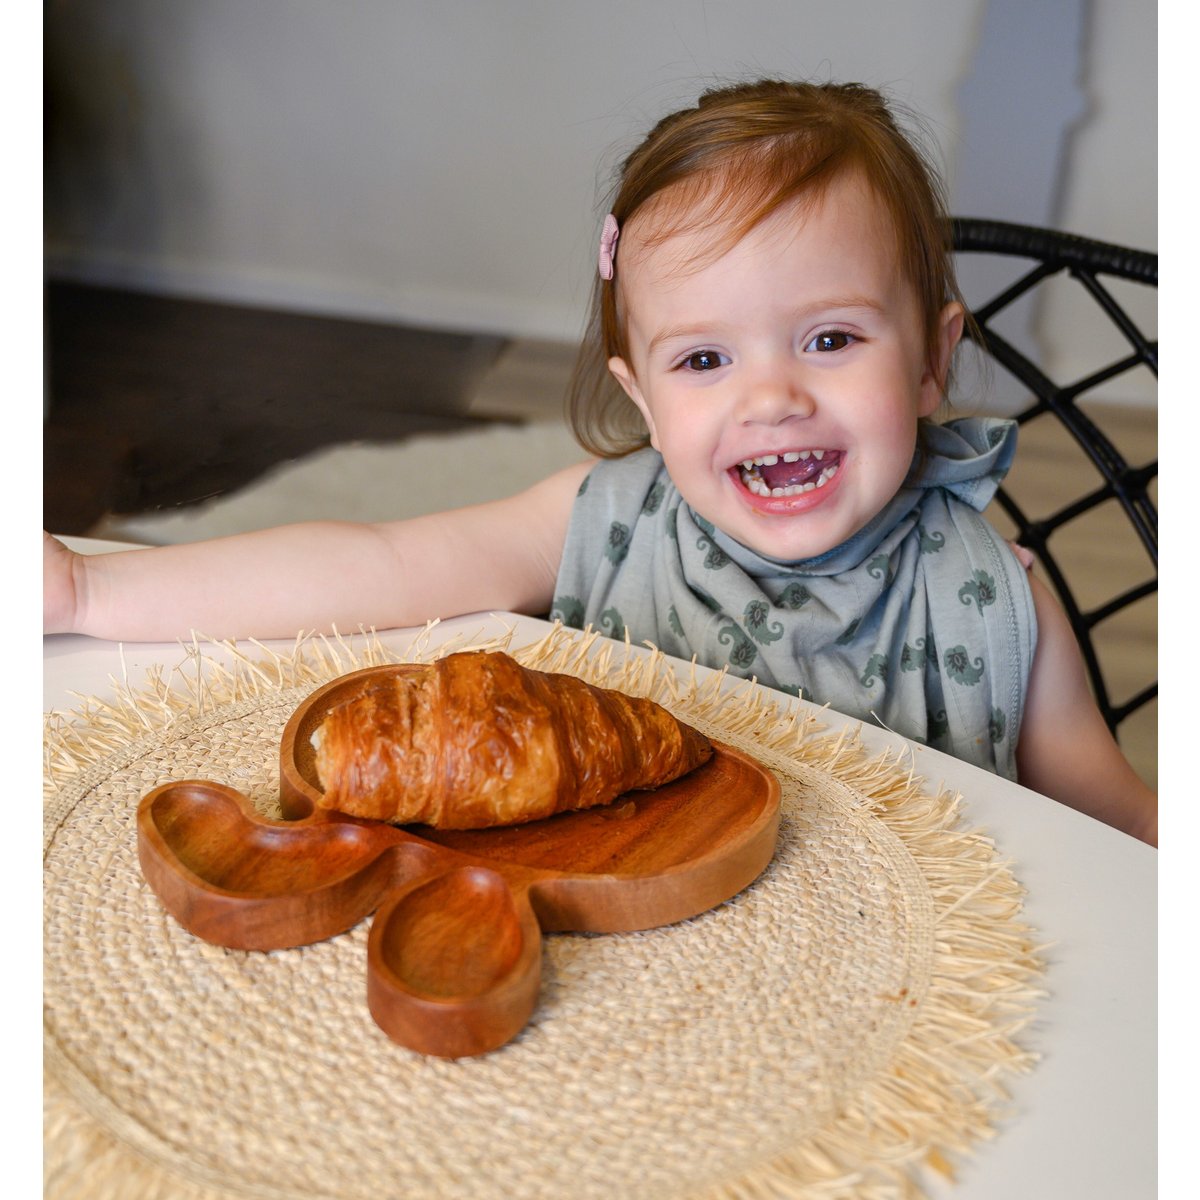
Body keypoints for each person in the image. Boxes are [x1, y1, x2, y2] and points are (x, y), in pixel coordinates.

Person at [43, 79, 1157, 845]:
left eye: (829, 339)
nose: (771, 396)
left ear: (931, 363)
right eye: (706, 358)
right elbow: (376, 564)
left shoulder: (992, 602)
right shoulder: (610, 523)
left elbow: (1118, 838)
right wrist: (95, 585)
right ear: (643, 398)